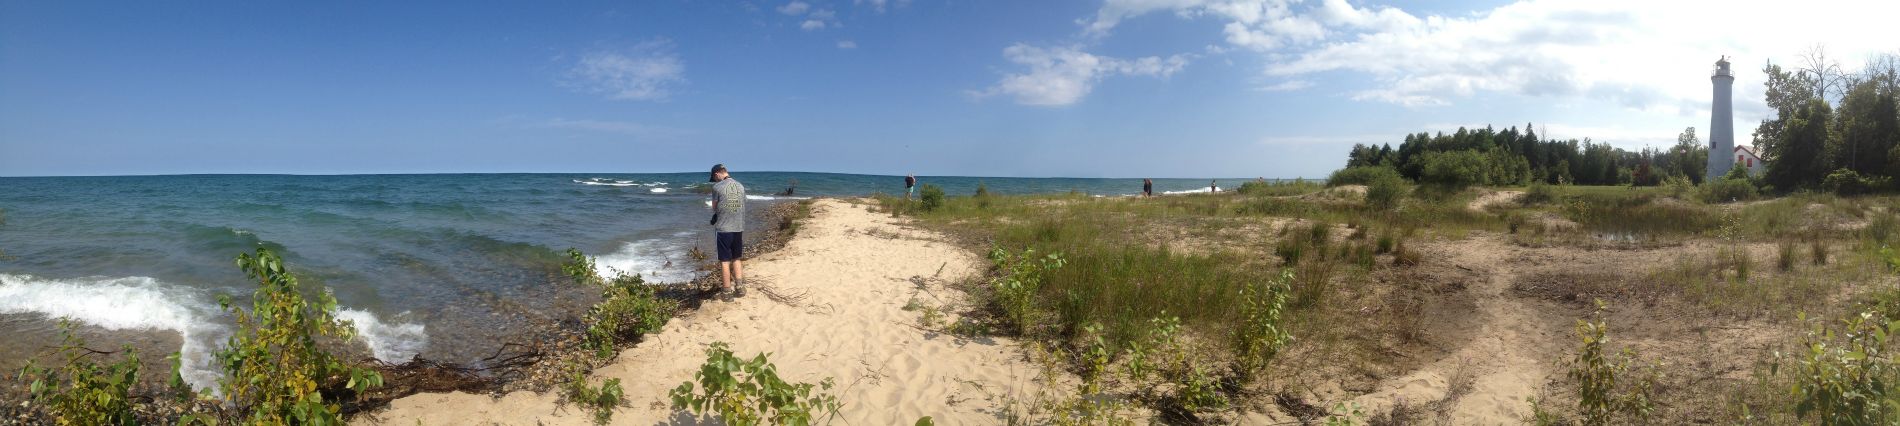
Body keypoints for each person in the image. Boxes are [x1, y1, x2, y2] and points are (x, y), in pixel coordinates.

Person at [709, 164, 747, 299]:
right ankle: (740, 287)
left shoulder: (717, 187)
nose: (715, 180)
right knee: (736, 258)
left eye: (715, 178)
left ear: (717, 174)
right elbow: (741, 204)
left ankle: (726, 292)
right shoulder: (740, 186)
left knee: (725, 260)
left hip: (724, 229)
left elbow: (714, 207)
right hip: (738, 227)